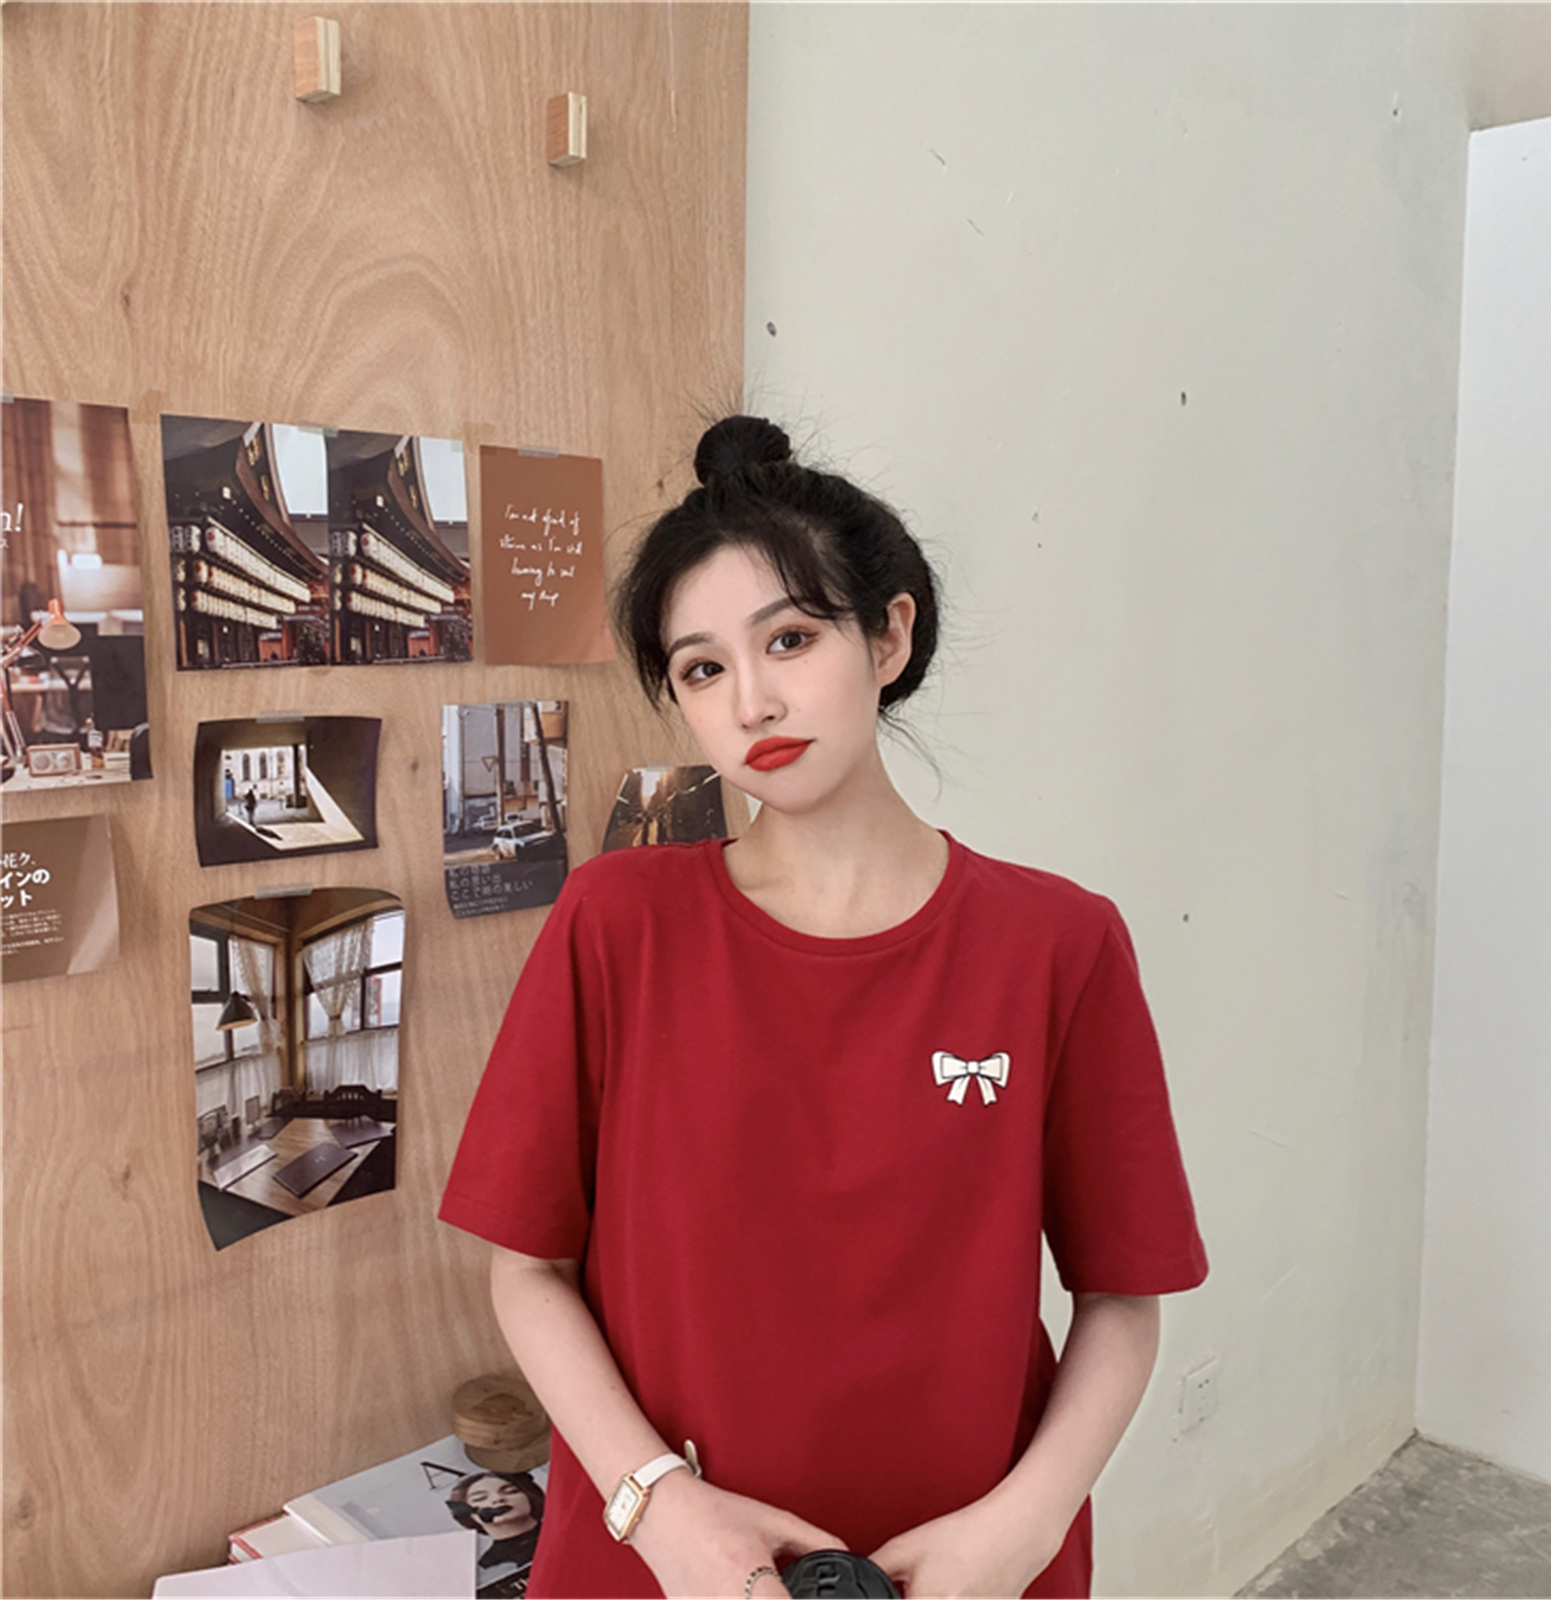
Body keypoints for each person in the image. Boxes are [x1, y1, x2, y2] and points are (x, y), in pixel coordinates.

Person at [439, 416, 1208, 1600]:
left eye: (789, 639)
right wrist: (655, 1506)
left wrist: (1024, 1524)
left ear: (890, 634)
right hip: (661, 1564)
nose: (752, 702)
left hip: (968, 1568)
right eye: (701, 669)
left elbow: (1121, 1294)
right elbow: (527, 1268)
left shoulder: (1058, 942)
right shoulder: (617, 923)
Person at [446, 1469, 547, 1595]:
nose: (497, 1499)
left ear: (530, 1495)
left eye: (511, 1491)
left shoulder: (563, 1535)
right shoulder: (486, 1569)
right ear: (467, 1513)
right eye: (480, 1498)